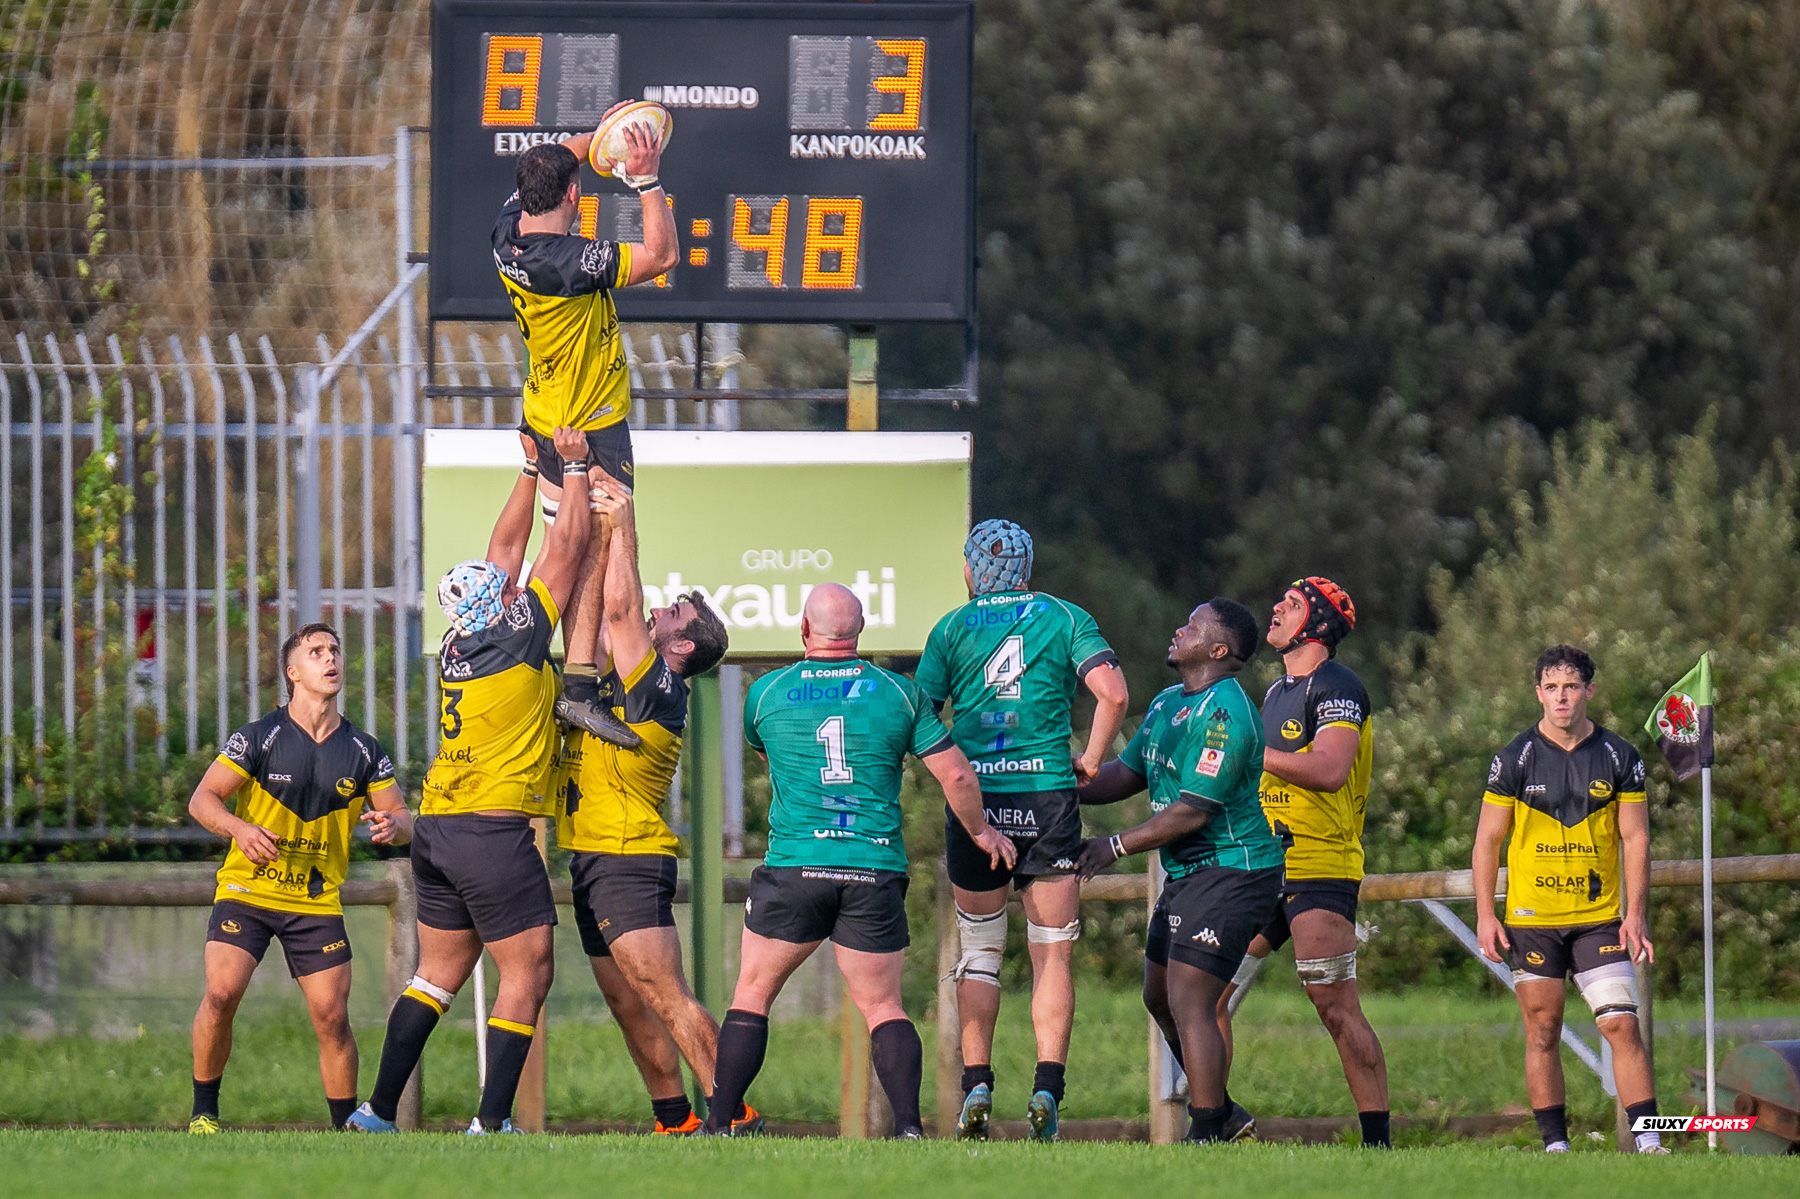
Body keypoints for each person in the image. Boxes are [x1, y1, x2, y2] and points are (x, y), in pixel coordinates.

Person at [348, 426, 593, 1135]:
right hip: (491, 829)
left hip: (441, 828)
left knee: (438, 972)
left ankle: (377, 1110)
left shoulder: (461, 642)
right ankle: (492, 1122)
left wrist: (527, 467)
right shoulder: (519, 636)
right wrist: (571, 467)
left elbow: (504, 553)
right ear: (505, 604)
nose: (513, 581)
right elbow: (564, 549)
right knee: (530, 969)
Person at [705, 584, 1016, 1137]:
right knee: (883, 1006)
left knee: (751, 994)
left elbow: (770, 755)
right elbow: (958, 776)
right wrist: (983, 831)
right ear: (861, 631)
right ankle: (908, 1130)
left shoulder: (767, 692)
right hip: (871, 868)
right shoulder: (898, 693)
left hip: (796, 865)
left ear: (804, 628)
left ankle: (717, 1122)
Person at [914, 518, 1129, 1141]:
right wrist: (1089, 758)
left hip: (977, 799)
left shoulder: (951, 628)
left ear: (969, 571)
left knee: (980, 951)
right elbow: (1112, 692)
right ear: (1028, 569)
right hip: (1047, 795)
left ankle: (975, 1085)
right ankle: (1046, 1090)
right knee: (1052, 950)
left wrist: (955, 768)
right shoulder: (1064, 616)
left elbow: (922, 715)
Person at [554, 467, 746, 1135]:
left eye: (674, 614)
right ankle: (676, 1120)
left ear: (683, 645)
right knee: (628, 1004)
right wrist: (596, 532)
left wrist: (624, 520)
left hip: (628, 857)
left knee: (667, 997)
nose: (657, 610)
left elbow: (616, 612)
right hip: (591, 856)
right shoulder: (623, 673)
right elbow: (590, 618)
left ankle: (736, 1114)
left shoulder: (660, 684)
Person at [493, 105, 678, 743]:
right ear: (574, 195)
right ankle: (578, 686)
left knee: (561, 544)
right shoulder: (566, 262)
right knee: (594, 547)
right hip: (590, 425)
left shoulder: (508, 228)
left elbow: (557, 159)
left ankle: (554, 672)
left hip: (545, 415)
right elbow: (661, 255)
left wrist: (601, 139)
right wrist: (646, 177)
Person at [186, 622, 410, 1133]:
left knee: (332, 1017)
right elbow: (203, 800)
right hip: (247, 890)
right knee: (221, 994)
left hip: (315, 899)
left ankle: (343, 1133)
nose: (330, 658)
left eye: (334, 649)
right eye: (316, 652)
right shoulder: (258, 737)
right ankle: (204, 1115)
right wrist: (239, 829)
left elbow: (403, 820)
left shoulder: (364, 751)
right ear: (294, 673)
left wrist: (393, 825)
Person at [1074, 599, 1282, 1143]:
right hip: (1190, 875)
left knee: (1191, 996)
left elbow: (1193, 810)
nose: (1178, 629)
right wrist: (1058, 783)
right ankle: (1226, 1113)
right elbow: (1123, 773)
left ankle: (1207, 1130)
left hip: (1237, 871)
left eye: (1192, 626)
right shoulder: (1169, 702)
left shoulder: (1226, 714)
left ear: (1217, 650)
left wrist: (1113, 845)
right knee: (1158, 994)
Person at [1473, 645, 1667, 1154]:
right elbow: (1488, 840)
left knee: (1622, 1024)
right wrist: (1484, 915)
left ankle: (1650, 1142)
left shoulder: (1619, 755)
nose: (1562, 697)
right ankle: (1555, 1146)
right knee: (1544, 1030)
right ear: (1538, 693)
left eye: (1572, 687)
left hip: (1600, 920)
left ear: (1589, 691)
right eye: (1552, 688)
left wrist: (1636, 914)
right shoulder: (1513, 757)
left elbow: (1636, 838)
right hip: (1530, 919)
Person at [1220, 577, 1389, 1147]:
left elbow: (1329, 769)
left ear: (1316, 624)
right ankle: (1218, 1119)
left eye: (1290, 605)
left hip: (1321, 861)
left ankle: (1378, 1144)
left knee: (1334, 1004)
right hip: (1267, 862)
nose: (1274, 608)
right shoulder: (1273, 693)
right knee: (1209, 992)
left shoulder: (1339, 685)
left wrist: (1251, 752)